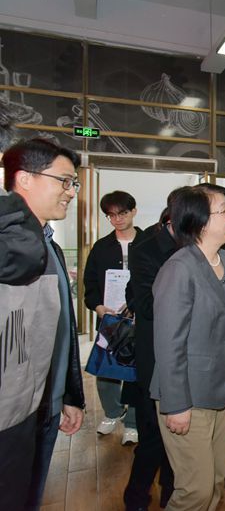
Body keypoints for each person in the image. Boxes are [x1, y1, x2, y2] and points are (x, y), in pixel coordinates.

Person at [150, 186, 225, 511]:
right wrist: (176, 404)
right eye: (224, 210)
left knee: (216, 481)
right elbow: (169, 344)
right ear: (200, 221)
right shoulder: (179, 269)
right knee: (195, 490)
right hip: (189, 395)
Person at [1, 140, 86, 510]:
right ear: (25, 179)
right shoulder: (12, 243)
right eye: (64, 181)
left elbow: (59, 332)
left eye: (73, 183)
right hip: (13, 414)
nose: (71, 192)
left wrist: (69, 395)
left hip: (45, 405)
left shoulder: (47, 242)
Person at [123, 191, 182, 511]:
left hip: (187, 359)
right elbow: (143, 302)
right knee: (153, 436)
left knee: (179, 439)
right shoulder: (147, 248)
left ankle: (170, 496)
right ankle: (136, 497)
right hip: (156, 356)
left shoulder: (203, 247)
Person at [83, 190, 143, 445]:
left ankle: (133, 422)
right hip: (109, 318)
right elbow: (90, 283)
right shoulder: (101, 247)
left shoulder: (148, 242)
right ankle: (112, 412)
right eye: (111, 215)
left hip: (141, 319)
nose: (117, 219)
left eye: (122, 213)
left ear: (133, 211)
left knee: (137, 370)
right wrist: (97, 307)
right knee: (106, 367)